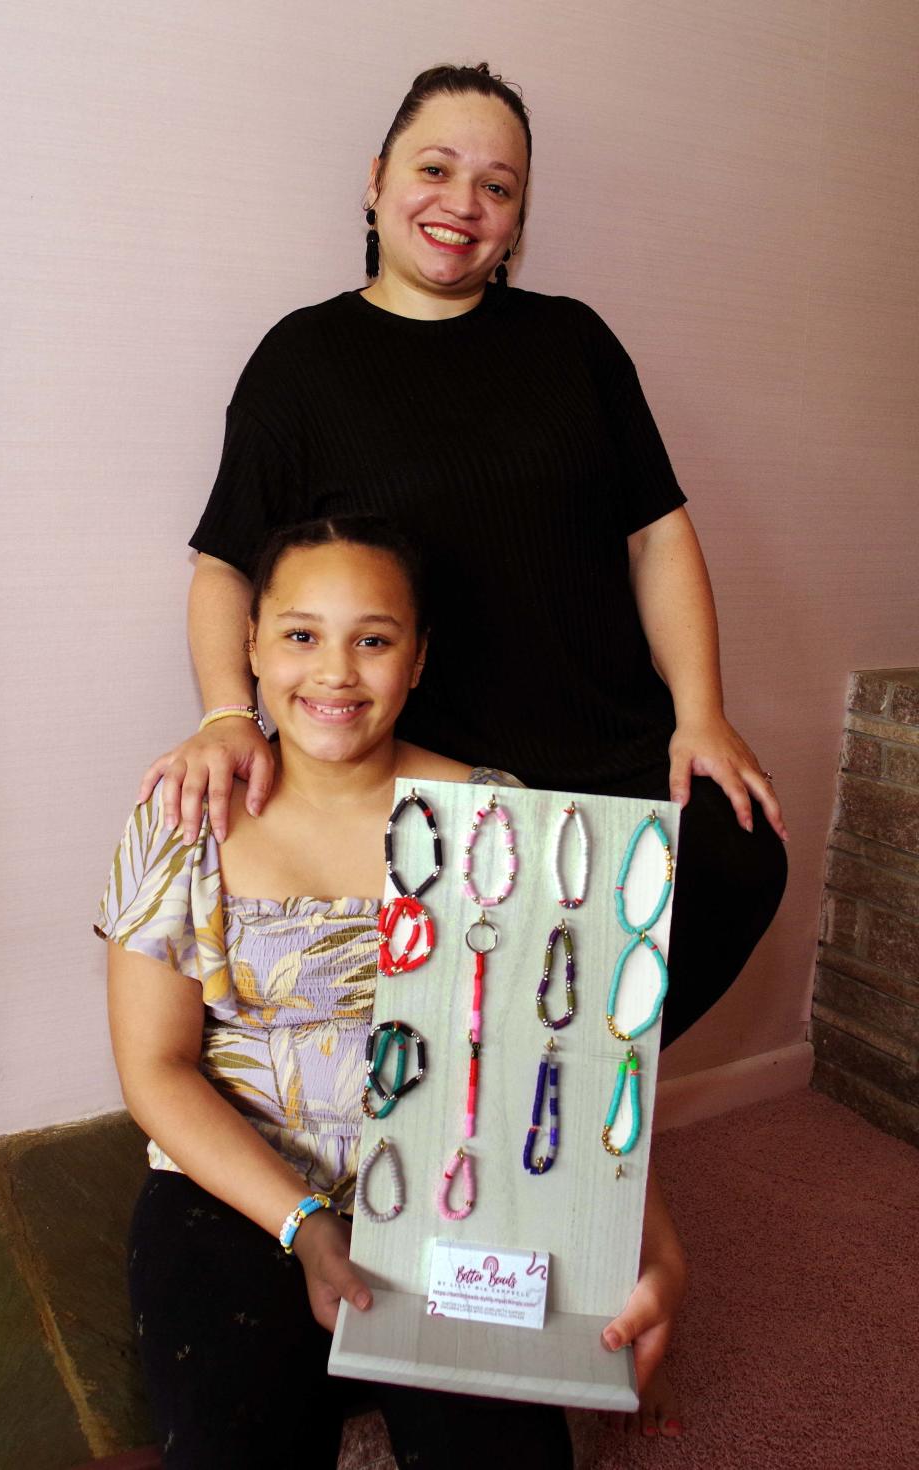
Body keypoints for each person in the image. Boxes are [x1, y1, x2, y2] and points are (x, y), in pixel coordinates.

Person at [137, 63, 788, 1438]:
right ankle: (467, 1184)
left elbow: (658, 531)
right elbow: (221, 567)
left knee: (734, 856)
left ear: (520, 224)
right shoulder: (304, 359)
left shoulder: (574, 344)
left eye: (500, 186)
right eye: (435, 168)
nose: (464, 203)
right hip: (431, 780)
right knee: (468, 1029)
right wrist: (221, 713)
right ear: (374, 187)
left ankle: (547, 1177)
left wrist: (702, 710)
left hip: (593, 758)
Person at [102, 517, 585, 1465]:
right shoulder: (182, 816)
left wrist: (648, 1248)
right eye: (299, 635)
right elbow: (155, 1071)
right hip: (234, 1190)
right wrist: (309, 1226)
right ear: (249, 646)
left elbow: (563, 1053)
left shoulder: (498, 817)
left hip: (454, 1190)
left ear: (418, 658)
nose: (334, 673)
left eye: (372, 638)